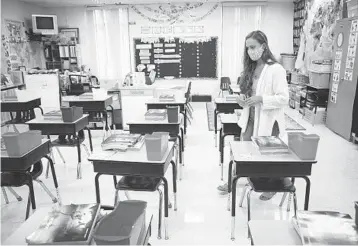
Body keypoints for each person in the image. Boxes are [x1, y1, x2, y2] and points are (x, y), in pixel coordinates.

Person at [217, 30, 290, 200]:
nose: (250, 51)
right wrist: (243, 99)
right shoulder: (251, 67)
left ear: (263, 46)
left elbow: (283, 98)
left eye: (253, 47)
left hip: (267, 120)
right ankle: (234, 181)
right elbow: (248, 93)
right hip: (250, 118)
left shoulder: (276, 69)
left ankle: (270, 187)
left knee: (266, 156)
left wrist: (261, 99)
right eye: (247, 48)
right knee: (243, 153)